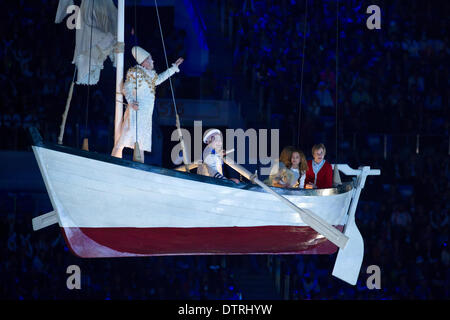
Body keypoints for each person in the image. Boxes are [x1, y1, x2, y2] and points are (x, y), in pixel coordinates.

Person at [112, 46, 184, 162]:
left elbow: (160, 79)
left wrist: (174, 68)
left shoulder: (150, 74)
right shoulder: (135, 72)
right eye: (150, 59)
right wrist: (131, 101)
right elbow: (127, 88)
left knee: (141, 142)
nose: (153, 61)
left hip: (146, 114)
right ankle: (114, 161)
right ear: (144, 61)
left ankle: (140, 168)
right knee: (125, 137)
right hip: (137, 110)